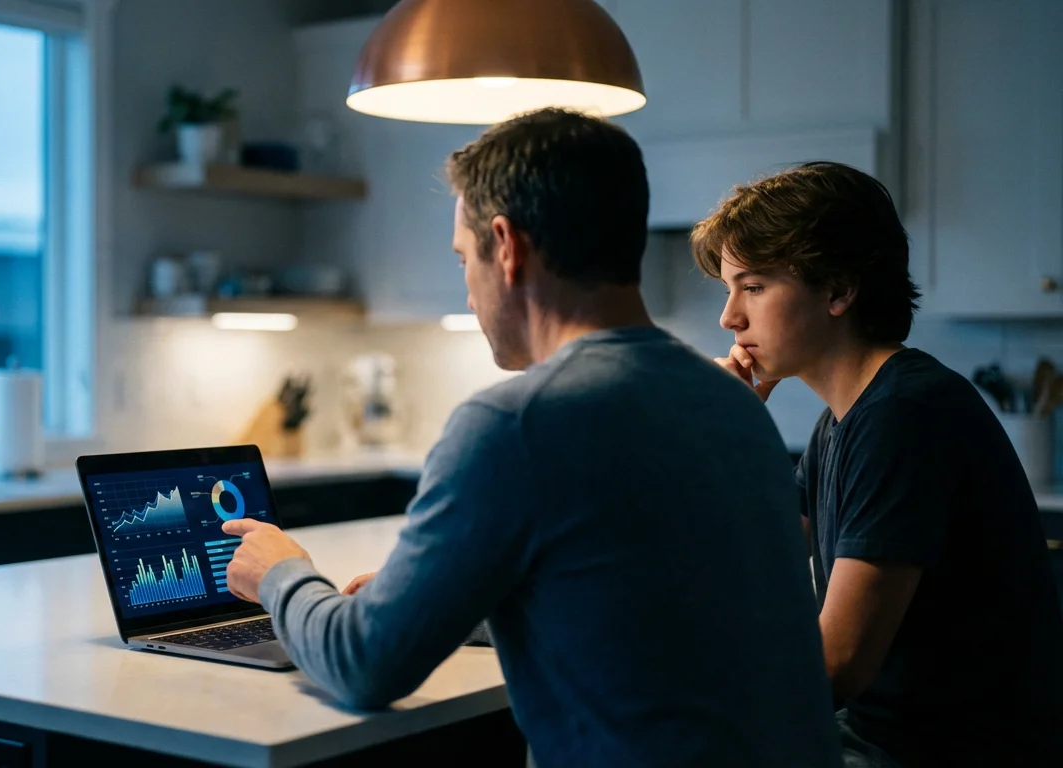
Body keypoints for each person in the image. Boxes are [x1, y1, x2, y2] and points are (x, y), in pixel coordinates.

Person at [221, 108, 840, 767]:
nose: (467, 292)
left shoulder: (515, 424)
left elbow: (364, 665)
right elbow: (639, 611)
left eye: (465, 260)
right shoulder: (731, 402)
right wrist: (446, 597)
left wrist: (279, 573)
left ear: (507, 246)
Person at [695, 161, 1063, 767]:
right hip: (872, 737)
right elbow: (755, 579)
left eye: (754, 286)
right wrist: (733, 434)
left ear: (838, 290)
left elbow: (836, 666)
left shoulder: (904, 414)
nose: (729, 317)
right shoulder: (841, 421)